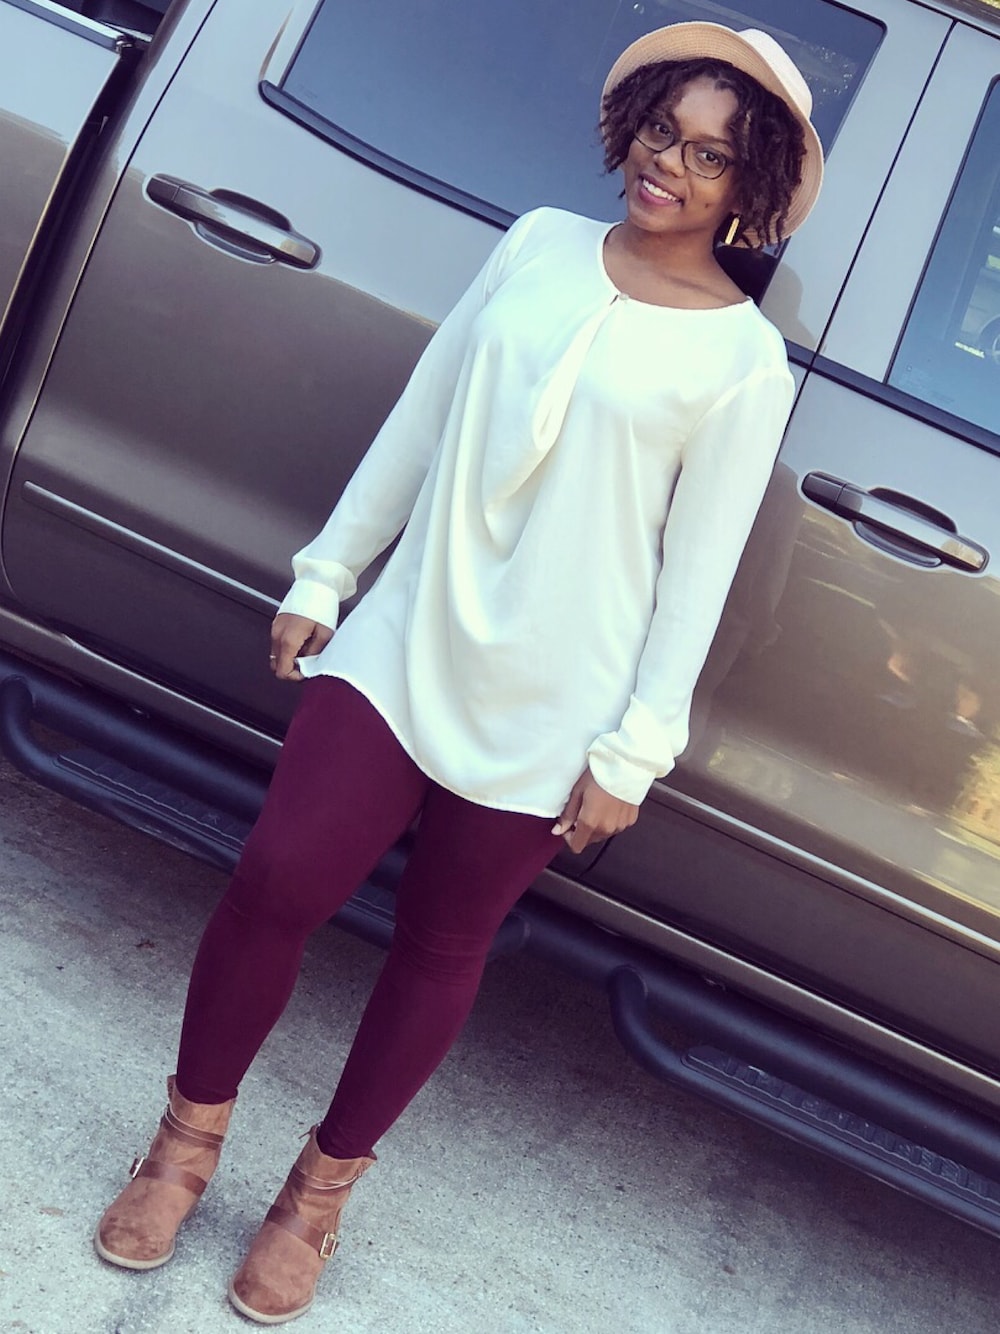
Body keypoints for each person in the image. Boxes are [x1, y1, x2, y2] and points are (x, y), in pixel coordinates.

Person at [94, 21, 823, 1325]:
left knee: (440, 943)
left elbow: (697, 576)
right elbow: (424, 416)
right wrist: (328, 573)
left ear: (748, 186)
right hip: (410, 631)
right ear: (634, 125)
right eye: (663, 132)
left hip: (557, 697)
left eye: (710, 156)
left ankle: (317, 1196)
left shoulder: (741, 363)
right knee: (278, 877)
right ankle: (183, 1144)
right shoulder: (539, 244)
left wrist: (634, 749)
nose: (669, 165)